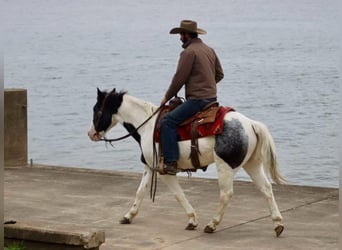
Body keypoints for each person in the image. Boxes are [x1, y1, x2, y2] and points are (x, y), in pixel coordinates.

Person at [160, 20, 224, 175]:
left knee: (167, 122)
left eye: (181, 34)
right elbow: (220, 74)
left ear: (187, 34)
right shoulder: (209, 50)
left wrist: (166, 97)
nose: (180, 38)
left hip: (197, 101)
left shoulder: (188, 52)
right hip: (212, 99)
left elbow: (179, 78)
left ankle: (171, 162)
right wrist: (206, 84)